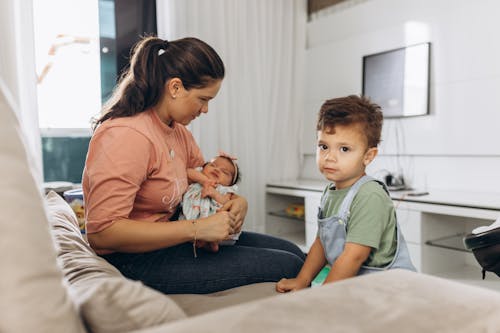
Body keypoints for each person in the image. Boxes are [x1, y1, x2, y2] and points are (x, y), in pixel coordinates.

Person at [82, 36, 305, 295]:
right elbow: (102, 234)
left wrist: (236, 202)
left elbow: (202, 184)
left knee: (294, 252)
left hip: (175, 238)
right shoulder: (126, 135)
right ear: (175, 87)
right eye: (203, 99)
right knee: (291, 264)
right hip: (133, 259)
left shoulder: (179, 132)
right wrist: (197, 229)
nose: (206, 109)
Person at [276, 95, 415, 293]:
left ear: (368, 156)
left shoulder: (369, 196)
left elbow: (354, 256)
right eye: (323, 146)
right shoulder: (331, 191)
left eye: (344, 149)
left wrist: (323, 295)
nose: (330, 157)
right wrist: (302, 280)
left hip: (389, 288)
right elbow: (321, 244)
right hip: (356, 282)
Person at [180, 153, 242, 247]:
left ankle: (211, 243)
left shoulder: (225, 190)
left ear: (231, 183)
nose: (217, 170)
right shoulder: (198, 178)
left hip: (216, 228)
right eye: (213, 165)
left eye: (225, 172)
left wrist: (215, 194)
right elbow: (188, 172)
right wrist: (204, 181)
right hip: (189, 224)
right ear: (203, 168)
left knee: (219, 230)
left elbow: (227, 204)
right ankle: (203, 243)